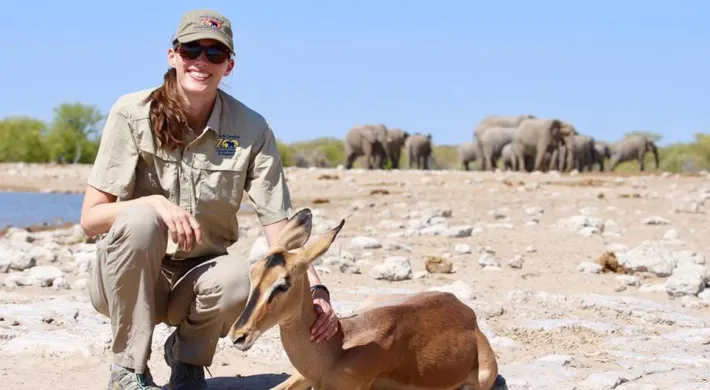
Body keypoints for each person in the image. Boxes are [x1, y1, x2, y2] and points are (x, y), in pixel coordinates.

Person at [80, 9, 339, 390]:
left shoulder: (252, 129)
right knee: (139, 221)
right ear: (173, 56)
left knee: (242, 277)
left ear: (228, 66)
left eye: (214, 55)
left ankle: (187, 361)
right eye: (191, 50)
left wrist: (317, 291)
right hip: (128, 279)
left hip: (200, 280)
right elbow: (91, 218)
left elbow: (279, 227)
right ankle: (128, 369)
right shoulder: (131, 113)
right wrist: (153, 204)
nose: (202, 62)